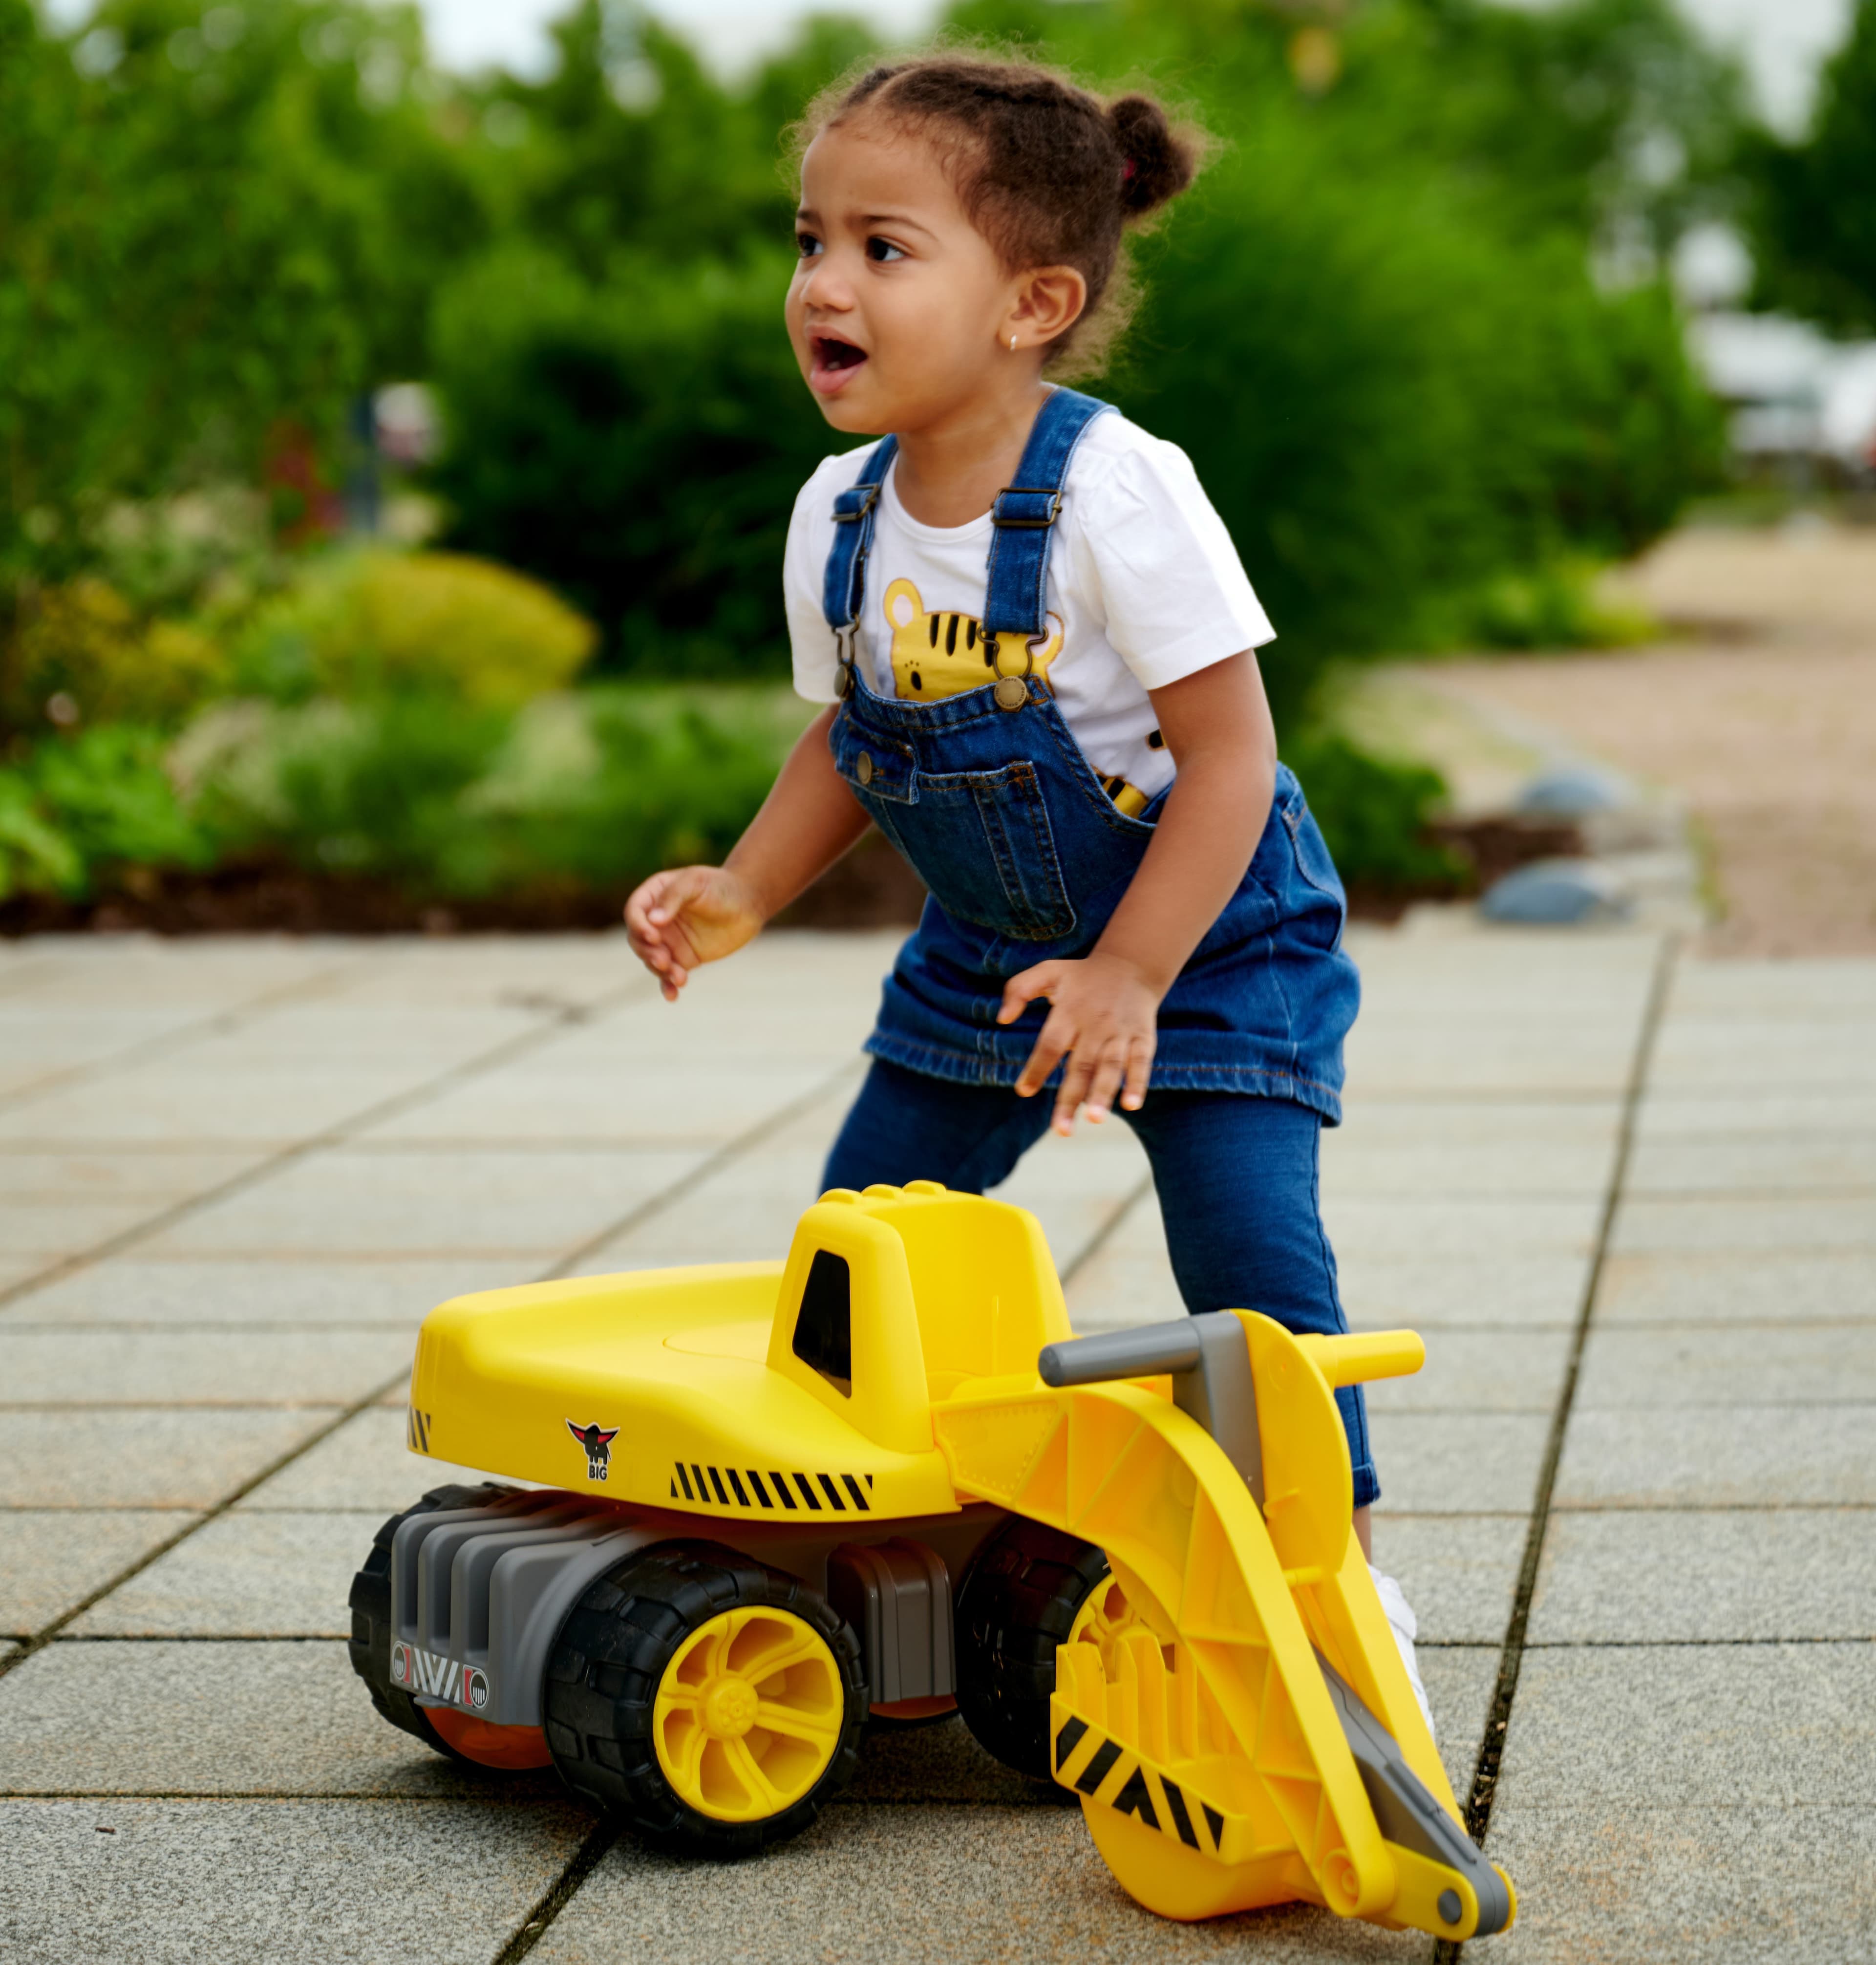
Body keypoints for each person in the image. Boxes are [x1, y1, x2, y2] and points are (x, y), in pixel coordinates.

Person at [623, 53, 1431, 1729]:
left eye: (884, 247)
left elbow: (1228, 761)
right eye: (810, 239)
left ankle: (1333, 1574)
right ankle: (884, 1538)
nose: (822, 285)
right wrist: (743, 891)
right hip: (986, 954)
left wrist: (1135, 974)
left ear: (1032, 300)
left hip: (1209, 945)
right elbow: (859, 736)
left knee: (1254, 1269)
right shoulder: (840, 514)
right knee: (863, 1251)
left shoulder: (1118, 494)